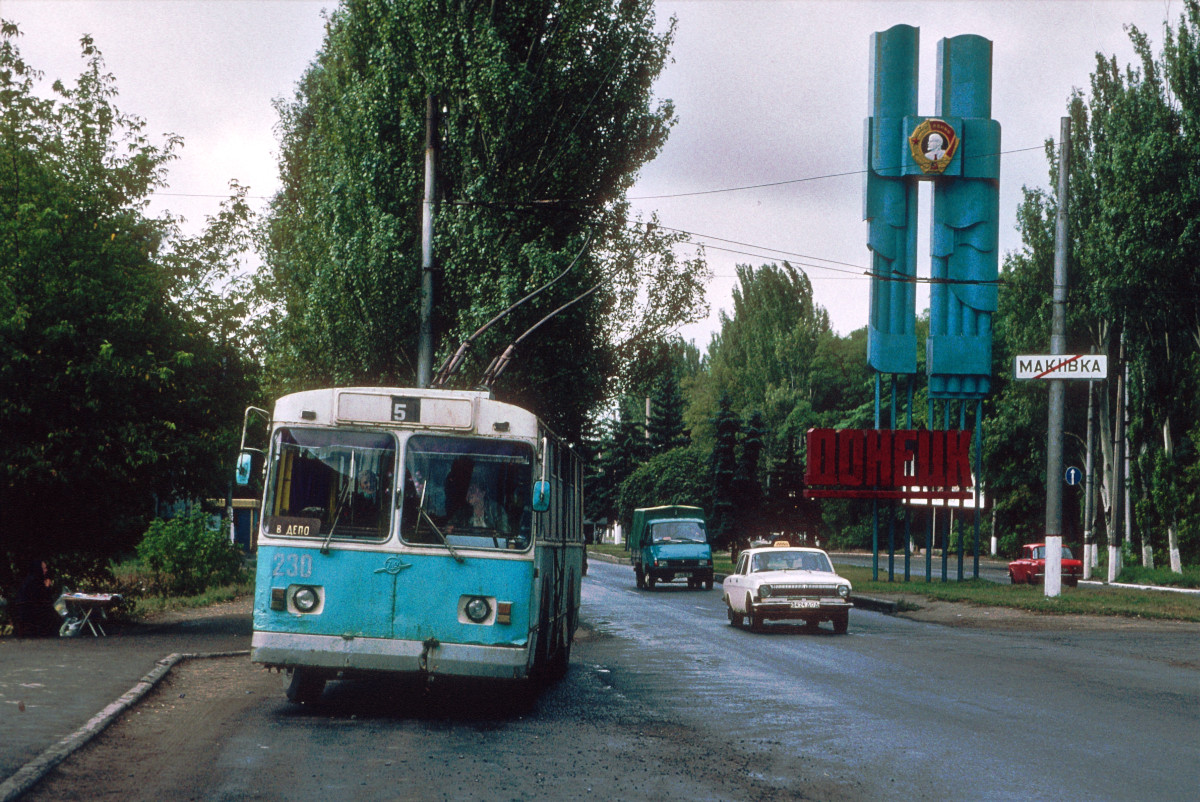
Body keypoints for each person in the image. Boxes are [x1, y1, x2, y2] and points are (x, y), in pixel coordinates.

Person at [13, 559, 61, 637]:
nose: (46, 570)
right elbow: (42, 598)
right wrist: (47, 587)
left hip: (28, 608)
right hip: (31, 609)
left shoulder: (31, 579)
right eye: (44, 568)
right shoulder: (35, 581)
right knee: (53, 615)